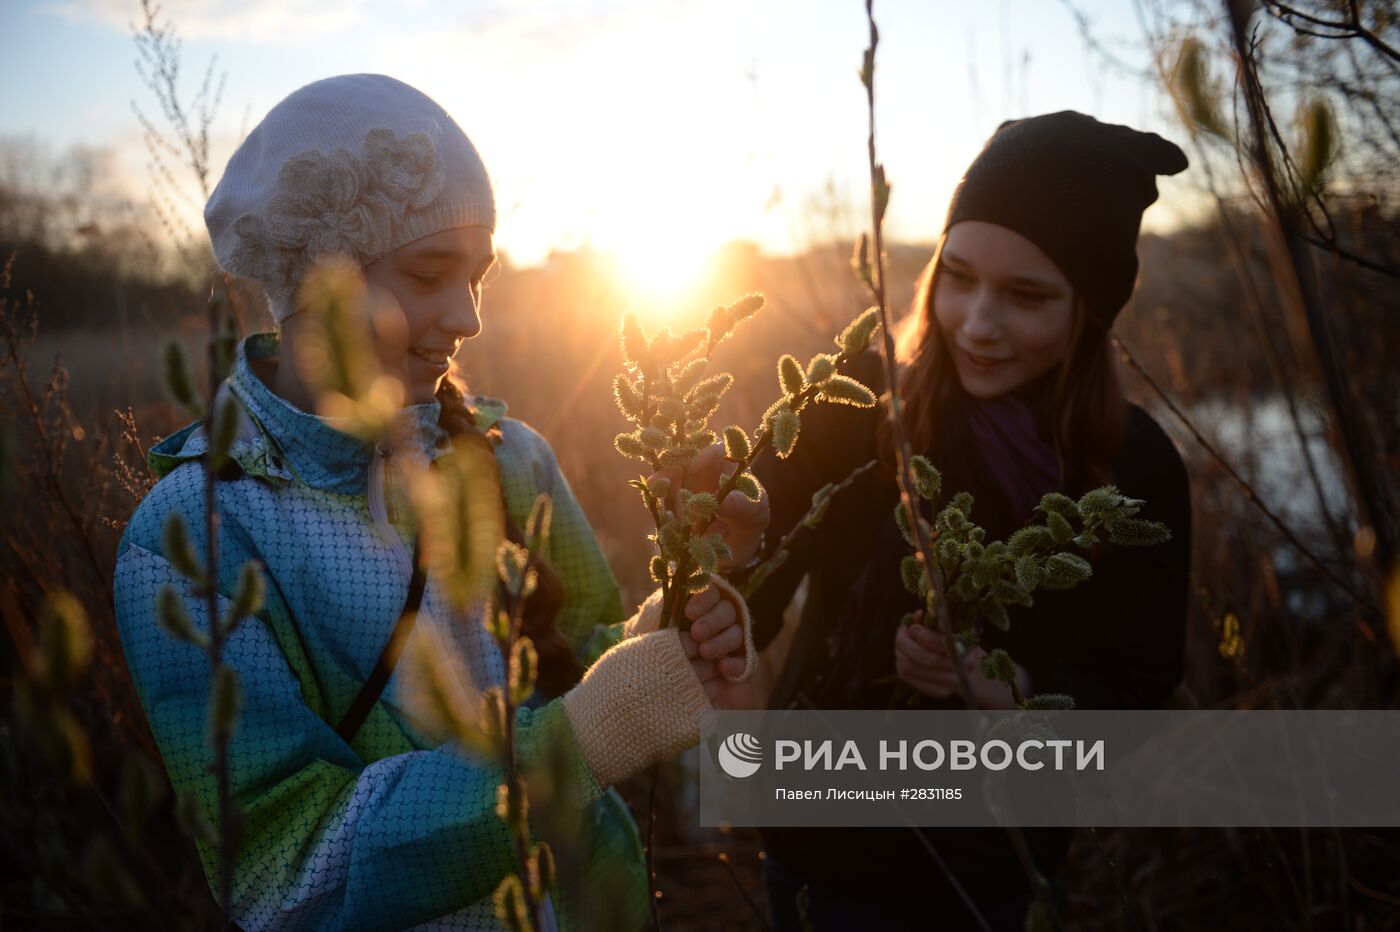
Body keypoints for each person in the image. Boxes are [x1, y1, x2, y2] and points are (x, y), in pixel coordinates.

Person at [112, 74, 767, 931]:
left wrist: (672, 623)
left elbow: (582, 663)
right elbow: (288, 871)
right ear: (318, 272)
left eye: (479, 276)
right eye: (429, 273)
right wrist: (579, 742)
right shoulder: (195, 540)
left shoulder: (511, 460)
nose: (467, 317)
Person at [736, 111, 1194, 930]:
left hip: (989, 881)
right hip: (816, 853)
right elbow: (749, 583)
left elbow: (1133, 694)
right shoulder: (855, 403)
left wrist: (1013, 693)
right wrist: (718, 545)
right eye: (958, 275)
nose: (978, 325)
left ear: (1088, 310)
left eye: (1026, 296)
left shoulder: (1134, 471)